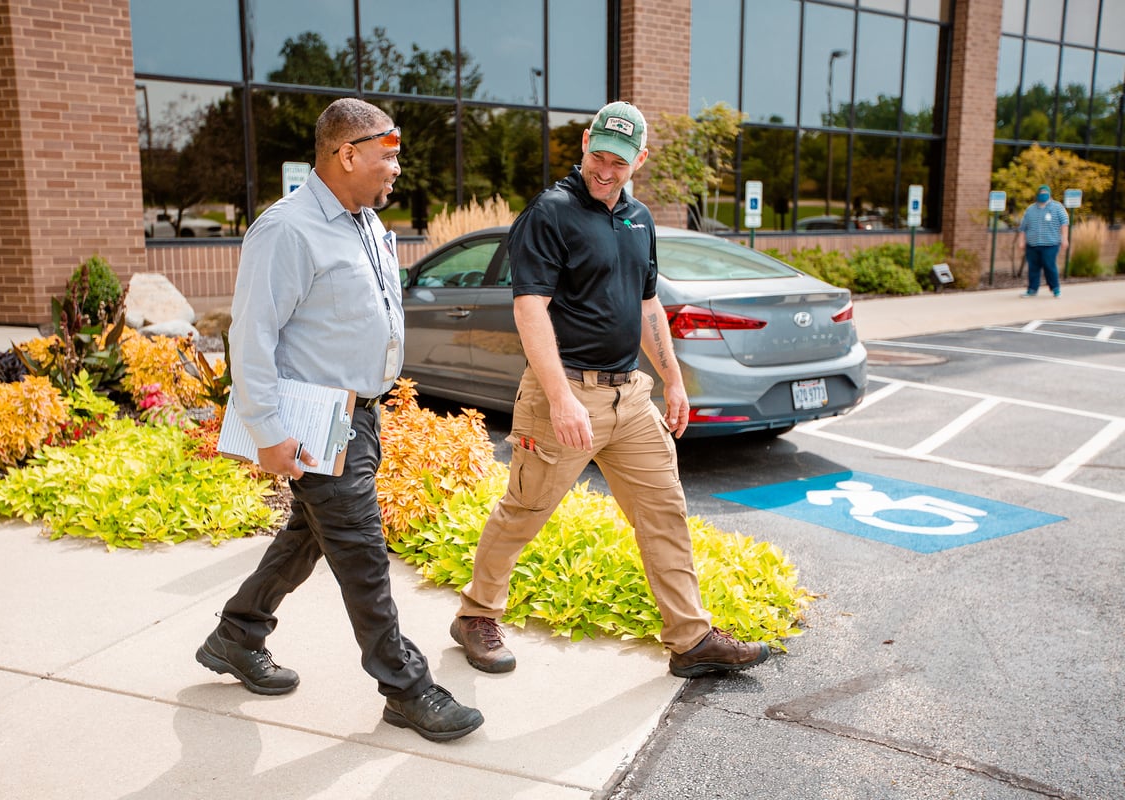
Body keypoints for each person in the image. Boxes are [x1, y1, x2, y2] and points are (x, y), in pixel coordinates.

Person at [448, 101, 771, 679]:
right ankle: (476, 615)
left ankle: (691, 640)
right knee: (525, 510)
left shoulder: (639, 219)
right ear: (583, 144)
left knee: (665, 511)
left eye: (619, 161)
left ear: (638, 160)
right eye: (598, 154)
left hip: (631, 397)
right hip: (564, 395)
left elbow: (648, 303)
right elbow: (530, 310)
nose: (606, 169)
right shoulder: (549, 213)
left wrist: (673, 380)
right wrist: (562, 397)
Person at [195, 98, 483, 743]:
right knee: (361, 554)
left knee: (308, 534)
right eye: (387, 155)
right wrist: (268, 432)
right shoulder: (287, 229)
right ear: (347, 154)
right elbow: (253, 336)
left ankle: (237, 634)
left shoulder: (369, 223)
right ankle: (406, 686)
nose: (396, 169)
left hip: (358, 415)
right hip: (311, 419)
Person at [1015, 184, 1069, 298]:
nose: (1043, 195)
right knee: (1033, 267)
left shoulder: (1057, 207)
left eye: (1045, 192)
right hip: (1033, 244)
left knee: (1049, 266)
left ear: (1049, 194)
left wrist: (1065, 238)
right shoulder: (1030, 209)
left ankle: (1055, 288)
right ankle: (1032, 289)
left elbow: (1064, 223)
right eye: (1041, 192)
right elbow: (1023, 227)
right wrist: (1021, 241)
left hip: (1050, 244)